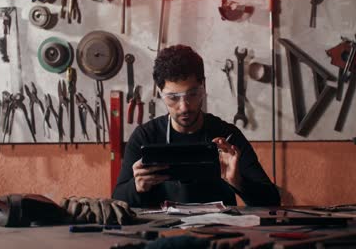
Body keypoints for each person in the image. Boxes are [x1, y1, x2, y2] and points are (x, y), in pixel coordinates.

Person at [113, 45, 280, 207]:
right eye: (173, 97)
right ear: (159, 93)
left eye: (192, 94)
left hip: (219, 232)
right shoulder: (146, 137)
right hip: (163, 234)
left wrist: (238, 182)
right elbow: (117, 200)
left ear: (203, 86)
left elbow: (272, 201)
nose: (184, 106)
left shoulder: (228, 137)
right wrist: (136, 186)